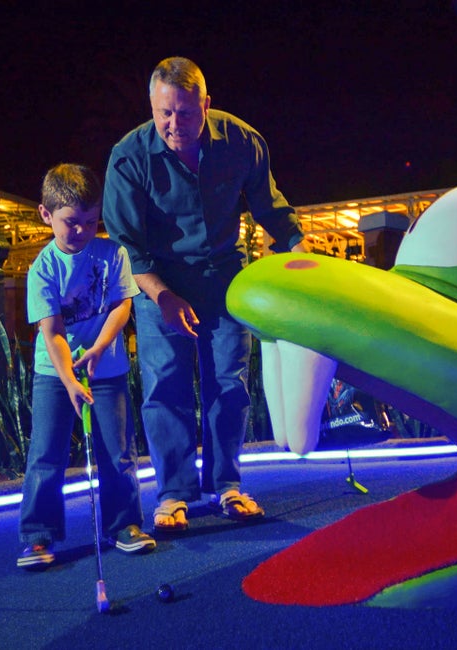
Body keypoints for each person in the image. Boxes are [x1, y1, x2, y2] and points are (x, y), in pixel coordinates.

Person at [102, 57, 308, 532]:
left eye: (186, 113)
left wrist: (301, 248)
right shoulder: (128, 157)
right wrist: (164, 297)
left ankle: (227, 486)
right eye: (164, 113)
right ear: (152, 106)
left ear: (206, 105)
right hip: (160, 284)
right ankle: (173, 493)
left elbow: (271, 209)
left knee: (229, 384)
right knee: (165, 384)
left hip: (225, 276)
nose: (175, 125)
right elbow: (127, 246)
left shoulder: (242, 141)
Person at [18, 163, 154, 569]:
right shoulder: (42, 267)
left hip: (106, 369)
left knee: (118, 451)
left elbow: (121, 305)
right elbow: (53, 330)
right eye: (70, 223)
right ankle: (38, 536)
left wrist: (98, 348)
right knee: (46, 453)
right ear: (47, 215)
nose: (80, 231)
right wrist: (69, 380)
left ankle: (125, 525)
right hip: (54, 373)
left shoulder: (113, 253)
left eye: (90, 222)